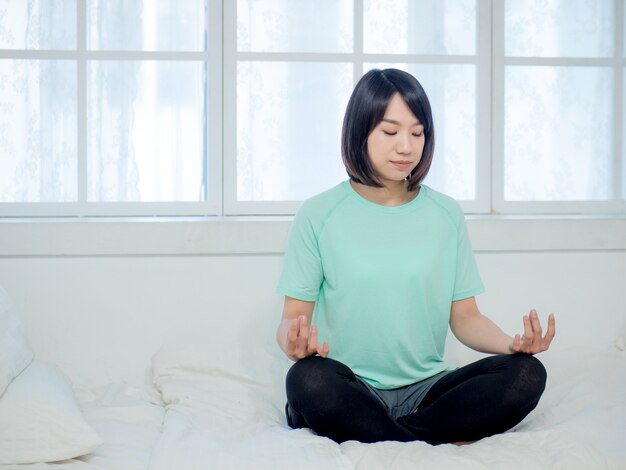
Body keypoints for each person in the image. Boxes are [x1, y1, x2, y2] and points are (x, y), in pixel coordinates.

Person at [275, 68, 556, 445]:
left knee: (527, 374)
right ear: (360, 133)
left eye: (417, 132)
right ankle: (423, 438)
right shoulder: (318, 213)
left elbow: (466, 318)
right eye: (390, 132)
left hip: (427, 392)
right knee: (306, 381)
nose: (406, 146)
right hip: (350, 386)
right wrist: (293, 343)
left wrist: (513, 345)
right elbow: (292, 318)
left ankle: (389, 437)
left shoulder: (445, 214)